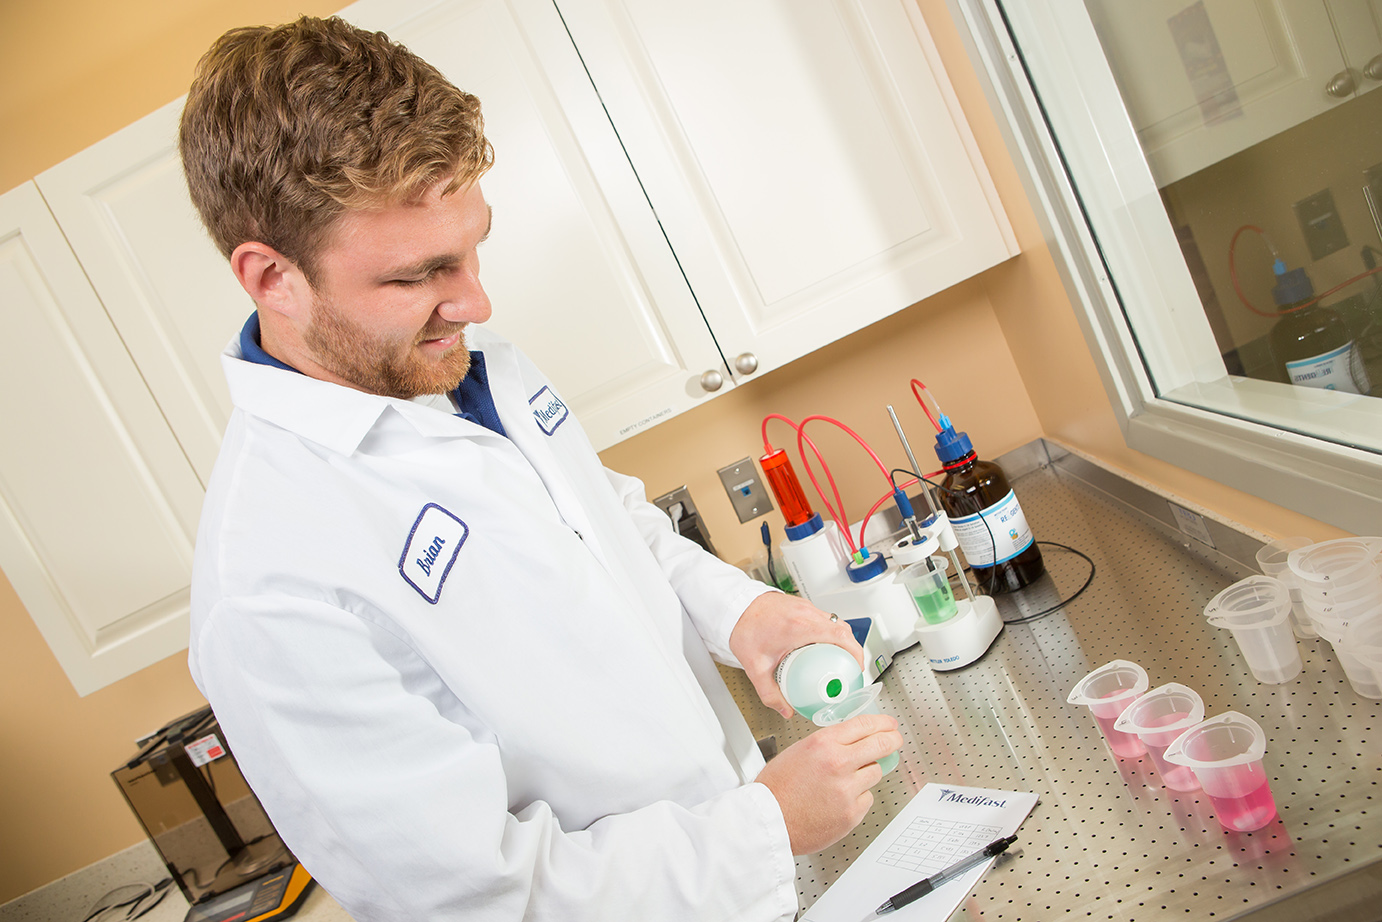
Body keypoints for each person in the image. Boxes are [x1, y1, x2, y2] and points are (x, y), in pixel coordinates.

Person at [181, 16, 901, 921]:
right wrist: (764, 830)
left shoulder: (472, 369)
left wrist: (743, 612)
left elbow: (606, 529)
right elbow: (470, 900)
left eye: (475, 244)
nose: (476, 300)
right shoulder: (270, 585)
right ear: (271, 277)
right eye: (417, 275)